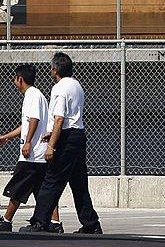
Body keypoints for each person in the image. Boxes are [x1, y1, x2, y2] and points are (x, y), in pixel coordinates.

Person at [20, 52, 102, 234]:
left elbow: (59, 119)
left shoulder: (59, 88)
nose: (50, 71)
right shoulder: (77, 85)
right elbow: (69, 117)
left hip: (66, 137)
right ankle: (91, 224)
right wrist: (52, 134)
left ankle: (40, 222)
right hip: (79, 137)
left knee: (51, 180)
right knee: (79, 183)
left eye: (51, 68)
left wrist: (51, 146)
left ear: (55, 70)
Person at [0, 64, 62, 233]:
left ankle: (6, 221)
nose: (14, 82)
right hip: (39, 154)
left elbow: (34, 120)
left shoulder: (32, 95)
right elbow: (26, 124)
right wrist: (7, 137)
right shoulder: (37, 95)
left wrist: (27, 143)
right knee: (43, 189)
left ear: (20, 79)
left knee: (18, 187)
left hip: (33, 154)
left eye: (15, 78)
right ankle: (55, 222)